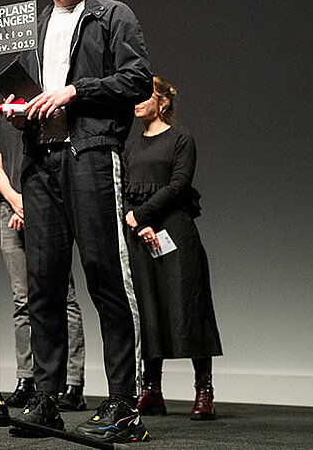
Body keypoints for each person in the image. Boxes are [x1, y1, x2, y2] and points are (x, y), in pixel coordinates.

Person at [2, 0, 153, 442]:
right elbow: (33, 94)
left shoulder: (112, 14)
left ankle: (124, 404)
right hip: (40, 162)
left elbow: (137, 81)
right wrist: (20, 112)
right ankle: (46, 400)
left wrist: (73, 91)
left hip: (90, 155)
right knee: (43, 283)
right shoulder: (36, 25)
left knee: (106, 278)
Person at [123, 77, 223, 420]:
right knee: (149, 307)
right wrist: (138, 221)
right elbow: (122, 188)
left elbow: (179, 185)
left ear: (162, 102)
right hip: (140, 233)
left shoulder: (181, 139)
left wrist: (144, 215)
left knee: (188, 307)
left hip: (175, 231)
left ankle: (204, 390)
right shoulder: (131, 146)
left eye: (143, 96)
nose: (136, 102)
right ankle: (152, 390)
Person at [0, 120, 87, 412]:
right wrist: (16, 202)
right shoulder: (0, 123)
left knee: (63, 297)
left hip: (47, 204)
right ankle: (27, 379)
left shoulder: (48, 116)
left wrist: (30, 207)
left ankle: (72, 383)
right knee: (22, 299)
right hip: (10, 209)